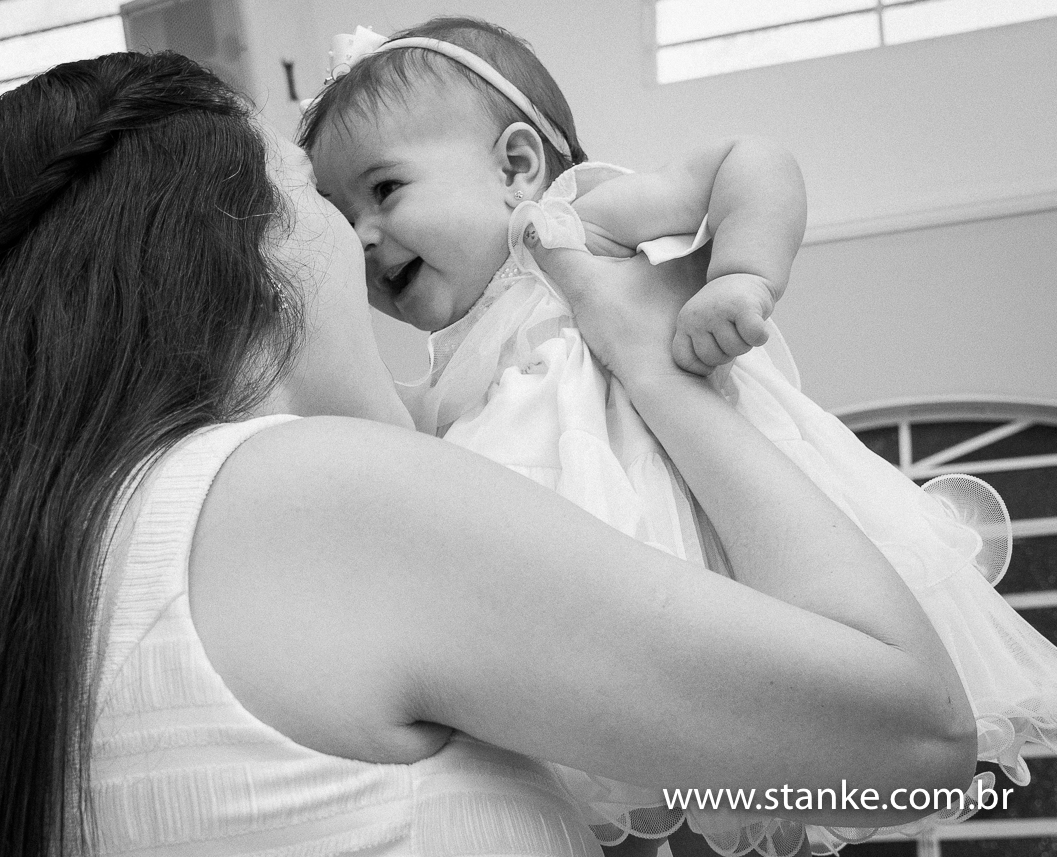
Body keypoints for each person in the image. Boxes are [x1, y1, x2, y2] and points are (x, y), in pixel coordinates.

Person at [0, 51, 977, 857]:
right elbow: (915, 736)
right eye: (314, 196)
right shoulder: (309, 504)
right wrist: (657, 366)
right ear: (248, 253)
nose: (362, 238)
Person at [299, 16, 1057, 856]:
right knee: (651, 797)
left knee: (758, 769)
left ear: (515, 167)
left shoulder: (564, 223)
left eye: (385, 189)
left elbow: (751, 160)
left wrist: (742, 274)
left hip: (703, 561)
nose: (360, 234)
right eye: (337, 213)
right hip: (599, 631)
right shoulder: (453, 372)